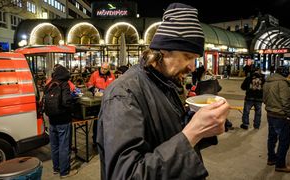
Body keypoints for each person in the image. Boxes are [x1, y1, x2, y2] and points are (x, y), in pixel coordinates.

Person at [96, 3, 230, 179]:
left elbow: (166, 132)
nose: (192, 66)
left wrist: (203, 124)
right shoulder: (123, 94)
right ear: (163, 51)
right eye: (187, 57)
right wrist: (193, 132)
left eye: (195, 59)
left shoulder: (166, 81)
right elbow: (125, 174)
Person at [44, 65, 78, 178]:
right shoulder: (64, 84)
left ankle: (56, 168)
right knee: (64, 146)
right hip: (63, 120)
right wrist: (72, 106)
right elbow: (66, 102)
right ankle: (64, 172)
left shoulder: (49, 84)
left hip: (52, 120)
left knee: (54, 145)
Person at [263, 66, 290, 173]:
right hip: (281, 116)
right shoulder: (282, 83)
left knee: (272, 137)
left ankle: (271, 158)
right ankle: (280, 164)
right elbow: (286, 100)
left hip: (270, 113)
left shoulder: (267, 81)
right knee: (285, 140)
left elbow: (264, 98)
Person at [87, 62, 116, 146]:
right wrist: (94, 90)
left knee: (108, 121)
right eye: (102, 68)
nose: (103, 70)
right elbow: (89, 84)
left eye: (105, 69)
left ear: (108, 69)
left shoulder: (111, 75)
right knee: (97, 121)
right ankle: (96, 140)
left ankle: (107, 140)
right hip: (98, 102)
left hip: (109, 101)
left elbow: (114, 85)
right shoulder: (95, 74)